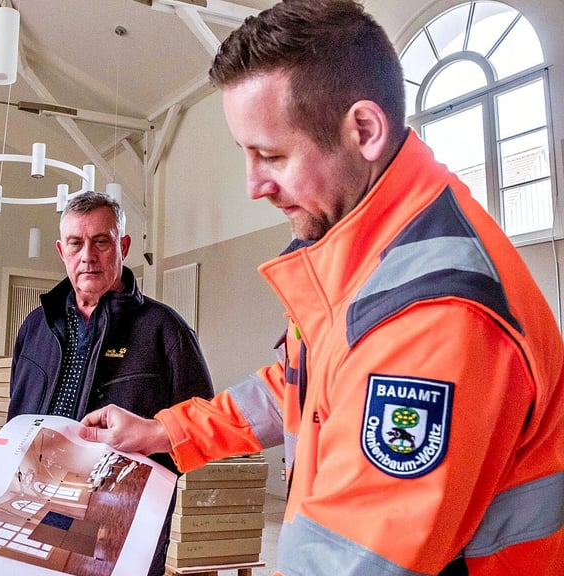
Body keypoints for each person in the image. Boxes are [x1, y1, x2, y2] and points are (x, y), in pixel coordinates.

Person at [79, 1, 564, 575]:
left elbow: (348, 562)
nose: (254, 184)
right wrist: (163, 428)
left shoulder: (432, 315)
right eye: (246, 153)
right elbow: (297, 386)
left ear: (363, 130)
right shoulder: (364, 256)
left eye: (272, 155)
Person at [8, 190, 215, 576]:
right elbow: (16, 413)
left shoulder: (165, 331)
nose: (88, 255)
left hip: (123, 515)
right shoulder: (35, 327)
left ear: (122, 245)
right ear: (61, 250)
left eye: (100, 241)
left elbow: (200, 424)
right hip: (39, 497)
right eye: (76, 243)